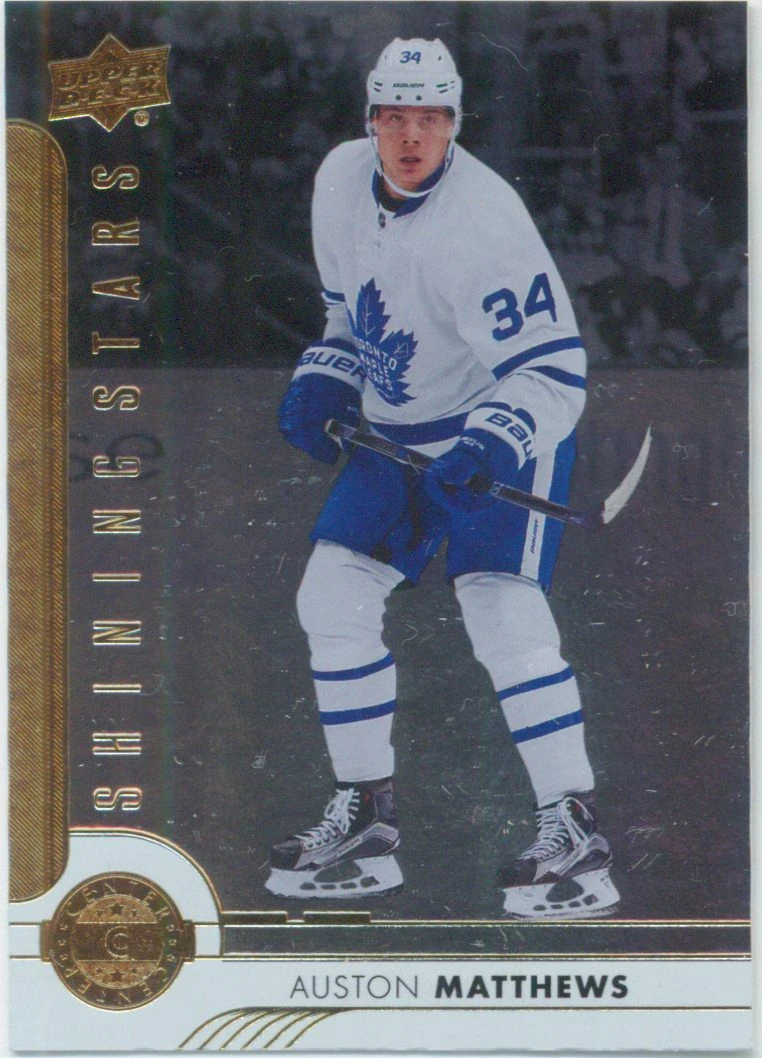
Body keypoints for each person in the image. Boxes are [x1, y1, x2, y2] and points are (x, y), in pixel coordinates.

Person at [269, 38, 619, 919]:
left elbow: (554, 372)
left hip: (498, 429)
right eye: (395, 116)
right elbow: (346, 314)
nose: (412, 136)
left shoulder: (485, 222)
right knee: (330, 598)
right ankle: (367, 817)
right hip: (397, 435)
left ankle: (572, 826)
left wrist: (491, 445)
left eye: (430, 118)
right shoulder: (339, 180)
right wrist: (326, 376)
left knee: (501, 612)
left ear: (456, 123)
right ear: (370, 120)